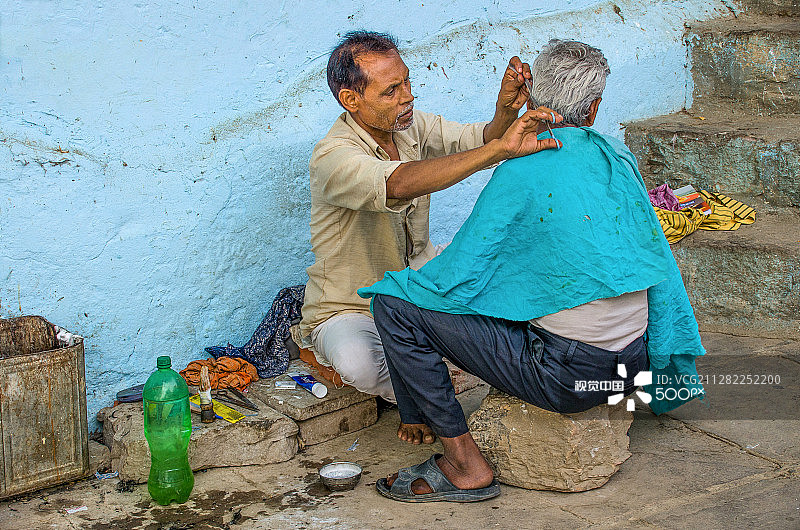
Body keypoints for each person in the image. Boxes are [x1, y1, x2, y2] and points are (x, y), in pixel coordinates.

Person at [359, 39, 705, 502]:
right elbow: (651, 255)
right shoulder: (616, 157)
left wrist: (408, 290)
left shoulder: (522, 166)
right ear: (596, 107)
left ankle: (463, 464)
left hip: (567, 376)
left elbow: (461, 273)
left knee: (394, 303)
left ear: (534, 99)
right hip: (633, 363)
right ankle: (418, 415)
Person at [294, 31, 562, 445]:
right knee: (360, 364)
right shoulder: (333, 157)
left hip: (419, 283)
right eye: (391, 91)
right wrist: (499, 151)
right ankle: (329, 352)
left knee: (506, 282)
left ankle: (418, 374)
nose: (407, 97)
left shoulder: (409, 125)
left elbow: (481, 139)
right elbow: (399, 184)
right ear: (351, 100)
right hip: (351, 304)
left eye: (407, 82)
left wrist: (505, 111)